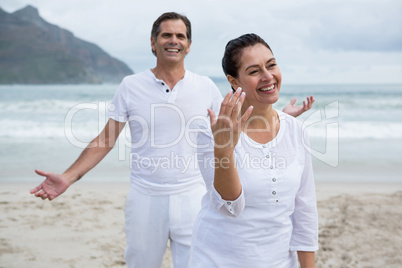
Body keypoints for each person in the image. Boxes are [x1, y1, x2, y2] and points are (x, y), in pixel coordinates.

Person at [30, 13, 314, 268]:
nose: (174, 40)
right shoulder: (131, 86)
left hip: (193, 193)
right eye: (166, 34)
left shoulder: (205, 86)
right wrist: (69, 176)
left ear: (189, 45)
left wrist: (279, 117)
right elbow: (107, 138)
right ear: (153, 43)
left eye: (181, 36)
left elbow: (236, 118)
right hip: (145, 194)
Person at [189, 33, 318, 267]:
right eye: (254, 71)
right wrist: (224, 149)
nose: (268, 77)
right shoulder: (212, 131)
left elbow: (305, 211)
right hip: (217, 260)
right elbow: (231, 207)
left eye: (271, 65)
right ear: (234, 81)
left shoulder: (296, 131)